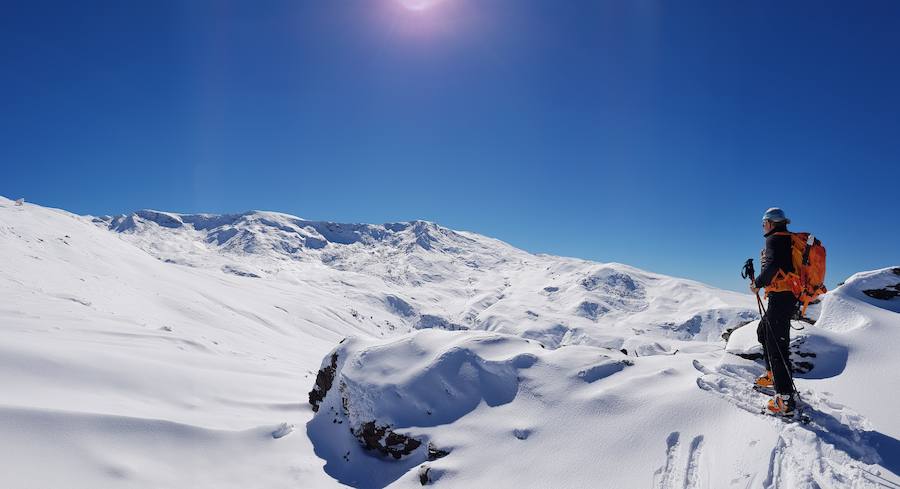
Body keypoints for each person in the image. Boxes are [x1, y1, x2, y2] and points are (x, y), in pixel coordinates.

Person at [750, 207, 798, 415]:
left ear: (769, 223)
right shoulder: (785, 239)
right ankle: (772, 377)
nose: (762, 227)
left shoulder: (775, 240)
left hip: (781, 298)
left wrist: (757, 284)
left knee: (777, 347)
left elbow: (772, 268)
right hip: (784, 298)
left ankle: (785, 400)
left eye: (763, 224)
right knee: (764, 333)